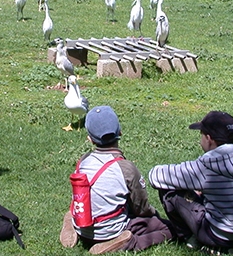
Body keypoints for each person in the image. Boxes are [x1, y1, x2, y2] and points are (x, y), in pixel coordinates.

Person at [60, 105, 172, 254]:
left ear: (90, 139)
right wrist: (154, 214)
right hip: (110, 231)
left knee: (77, 212)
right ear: (120, 132)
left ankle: (71, 224)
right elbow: (141, 207)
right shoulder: (126, 168)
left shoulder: (84, 160)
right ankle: (124, 242)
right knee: (167, 228)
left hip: (83, 225)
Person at [148, 110, 233, 253]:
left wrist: (191, 185)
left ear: (208, 138)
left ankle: (192, 239)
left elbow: (155, 176)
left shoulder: (205, 166)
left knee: (168, 190)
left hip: (219, 234)